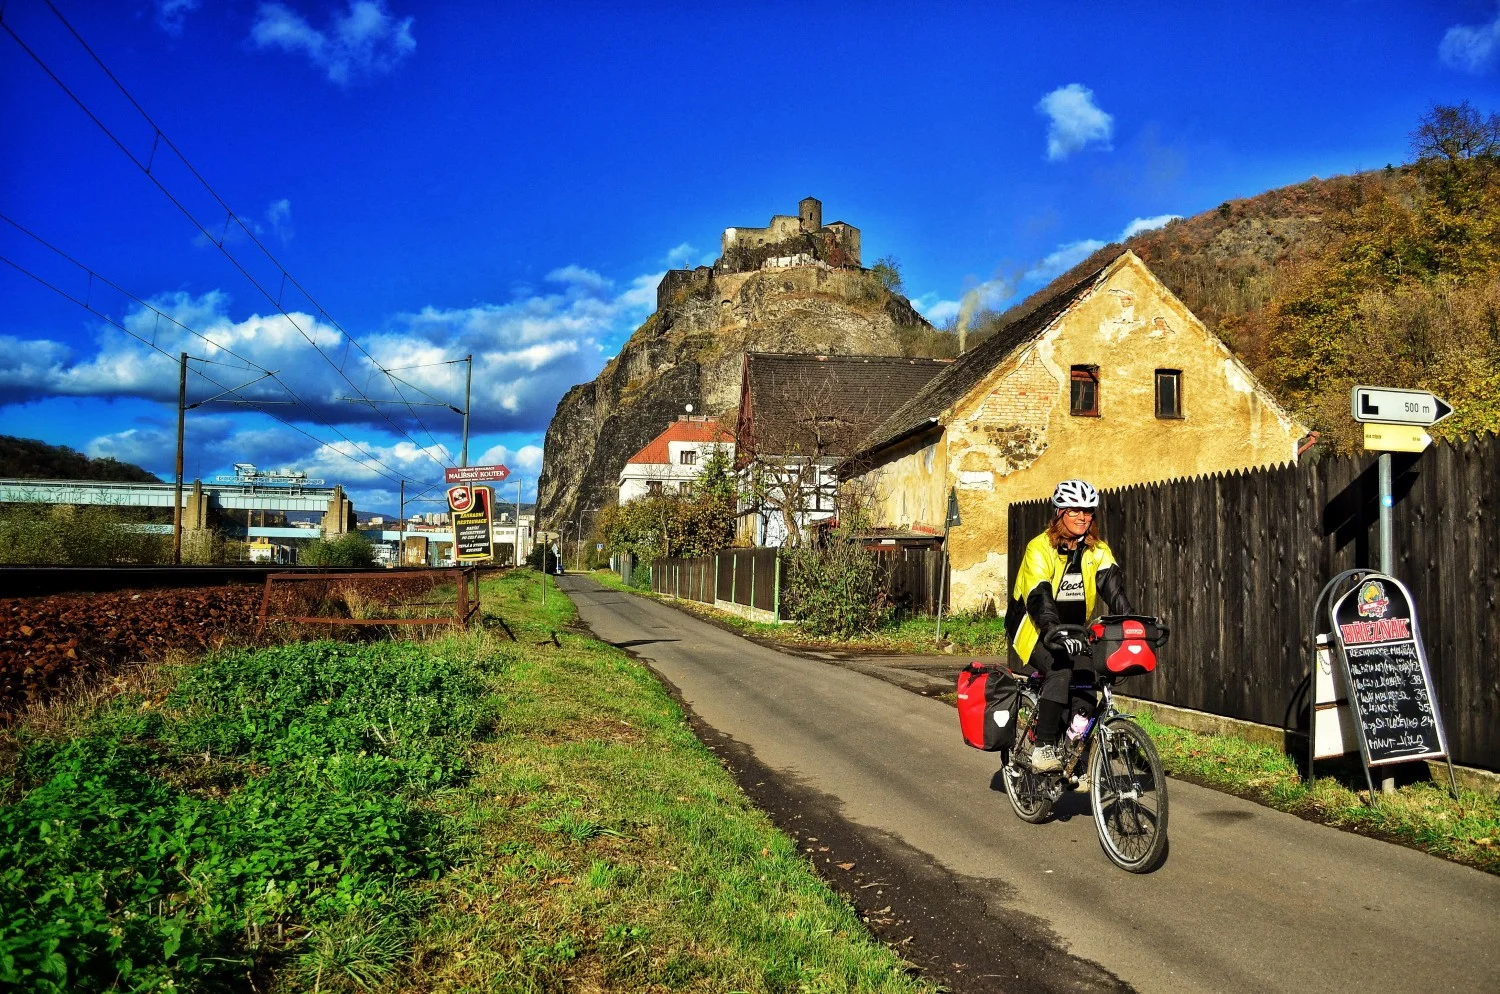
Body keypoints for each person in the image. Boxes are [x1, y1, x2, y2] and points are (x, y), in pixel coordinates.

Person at [1007, 479, 1133, 773]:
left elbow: (1115, 591)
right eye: (1074, 510)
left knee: (1088, 679)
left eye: (1088, 511)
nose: (1082, 517)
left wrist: (1133, 623)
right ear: (1060, 513)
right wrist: (1053, 629)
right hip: (1032, 627)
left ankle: (1073, 749)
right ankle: (1043, 747)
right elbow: (1038, 596)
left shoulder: (1097, 550)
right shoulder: (1039, 548)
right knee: (1061, 669)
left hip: (1074, 630)